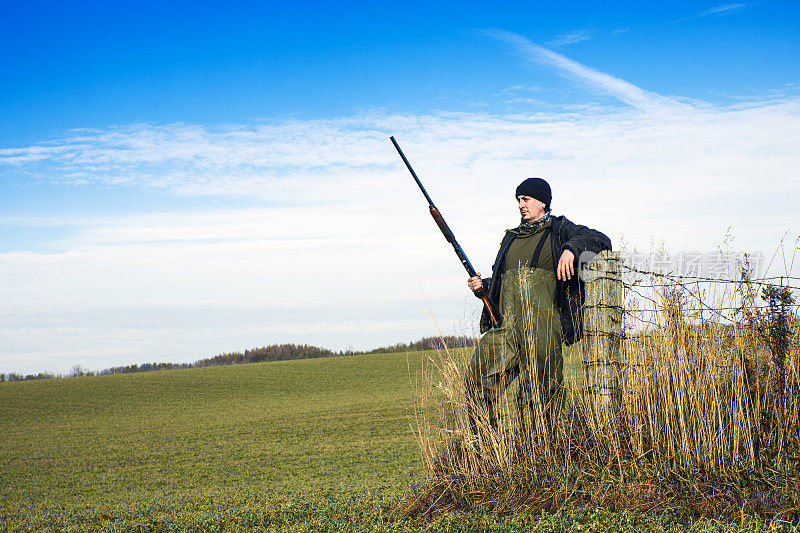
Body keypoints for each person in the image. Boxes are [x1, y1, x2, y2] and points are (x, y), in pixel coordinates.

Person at [466, 177, 611, 431]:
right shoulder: (510, 238)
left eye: (526, 199)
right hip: (507, 327)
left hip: (543, 328)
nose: (520, 205)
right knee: (477, 382)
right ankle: (487, 446)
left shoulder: (560, 230)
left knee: (542, 391)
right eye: (518, 200)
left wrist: (572, 249)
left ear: (542, 202)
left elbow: (600, 239)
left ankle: (546, 447)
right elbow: (504, 283)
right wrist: (484, 287)